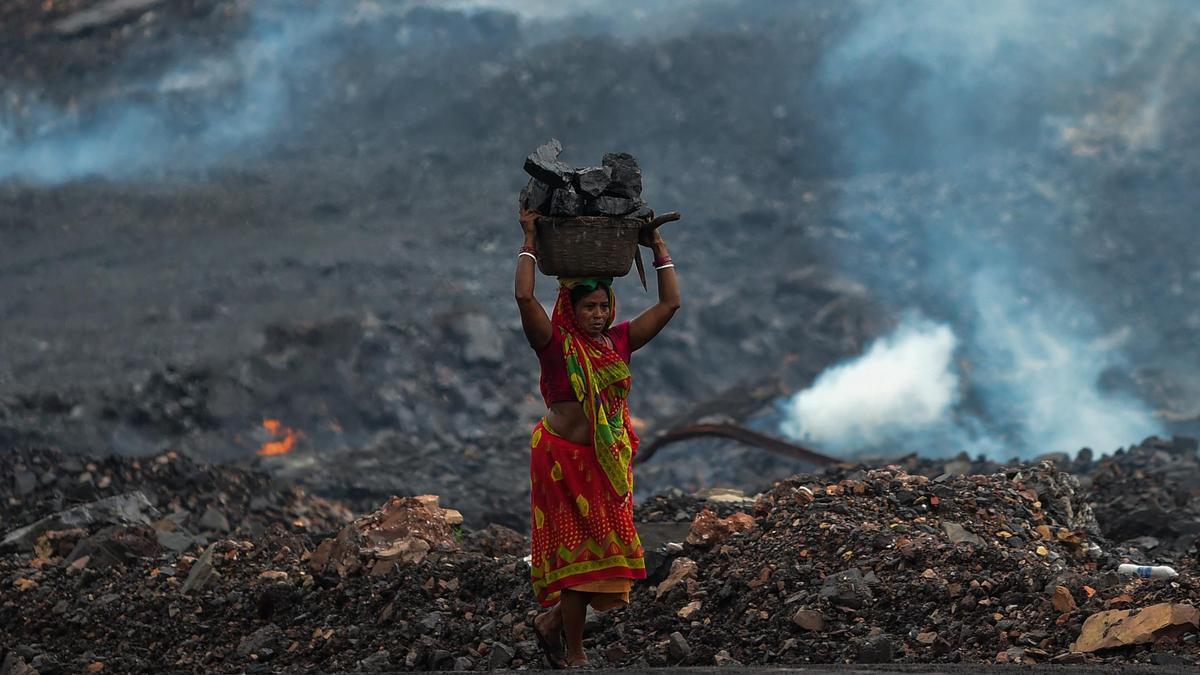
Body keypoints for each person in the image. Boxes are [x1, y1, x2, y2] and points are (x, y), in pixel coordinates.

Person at [515, 207, 680, 668]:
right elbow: (525, 299)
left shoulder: (618, 342)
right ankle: (574, 652)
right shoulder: (553, 344)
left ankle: (550, 626)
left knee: (605, 556)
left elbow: (670, 305)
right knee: (580, 560)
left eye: (604, 306)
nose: (598, 314)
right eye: (589, 307)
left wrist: (658, 248)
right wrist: (529, 239)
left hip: (605, 459)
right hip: (560, 460)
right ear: (571, 308)